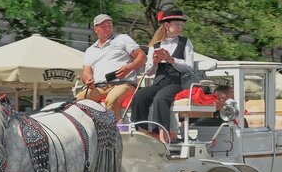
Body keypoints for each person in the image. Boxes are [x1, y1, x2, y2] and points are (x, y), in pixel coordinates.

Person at [129, 8, 196, 143]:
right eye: (177, 24)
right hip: (159, 81)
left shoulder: (185, 42)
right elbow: (148, 72)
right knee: (140, 96)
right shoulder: (155, 45)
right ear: (167, 25)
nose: (180, 27)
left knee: (161, 98)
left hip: (177, 82)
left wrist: (171, 60)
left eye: (181, 25)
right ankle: (141, 131)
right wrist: (154, 62)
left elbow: (189, 67)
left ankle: (162, 135)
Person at [78, 14, 146, 120]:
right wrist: (87, 79)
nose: (108, 28)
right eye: (103, 26)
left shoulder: (123, 39)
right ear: (96, 29)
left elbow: (142, 57)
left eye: (109, 25)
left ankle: (114, 133)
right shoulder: (90, 50)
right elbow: (86, 72)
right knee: (77, 101)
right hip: (100, 86)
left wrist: (129, 67)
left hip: (123, 83)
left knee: (112, 99)